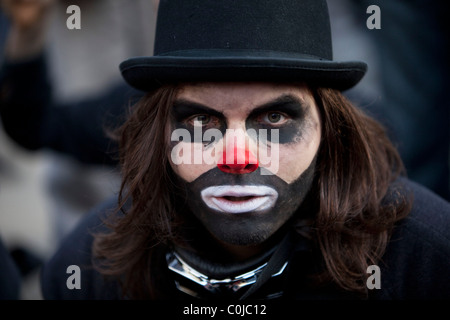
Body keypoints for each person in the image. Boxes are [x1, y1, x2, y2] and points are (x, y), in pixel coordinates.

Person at [41, 0, 450, 301]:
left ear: (330, 127)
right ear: (158, 134)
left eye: (273, 119)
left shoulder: (428, 260)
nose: (237, 157)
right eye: (201, 123)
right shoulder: (89, 267)